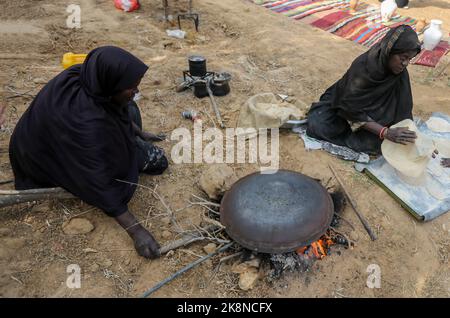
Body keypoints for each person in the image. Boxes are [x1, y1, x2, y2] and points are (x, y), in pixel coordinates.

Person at [9, 46, 168, 259]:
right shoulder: (89, 127)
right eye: (131, 87)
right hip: (44, 162)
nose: (136, 91)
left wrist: (140, 132)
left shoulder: (83, 76)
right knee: (157, 161)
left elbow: (115, 108)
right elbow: (98, 182)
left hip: (40, 144)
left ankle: (132, 132)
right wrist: (137, 231)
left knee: (130, 109)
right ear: (110, 85)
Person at [307, 25, 422, 155]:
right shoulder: (363, 67)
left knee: (377, 143)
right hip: (343, 112)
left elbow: (404, 111)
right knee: (319, 124)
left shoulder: (400, 75)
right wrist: (385, 132)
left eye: (409, 59)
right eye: (403, 58)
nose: (405, 63)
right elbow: (347, 106)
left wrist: (417, 140)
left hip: (375, 117)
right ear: (389, 51)